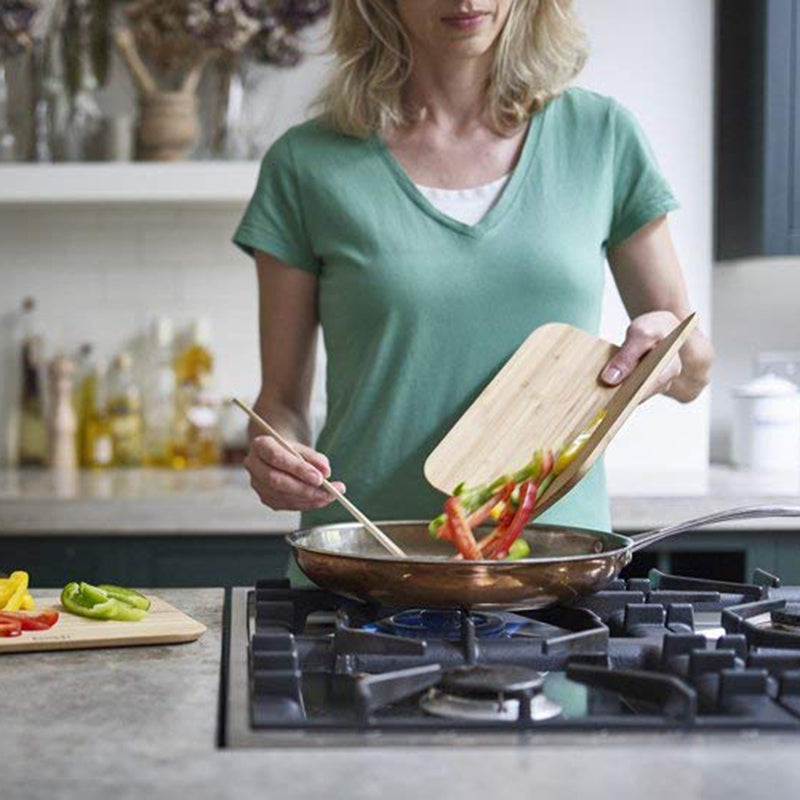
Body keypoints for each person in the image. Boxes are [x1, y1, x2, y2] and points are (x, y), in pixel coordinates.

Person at [234, 0, 714, 547]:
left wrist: (669, 351)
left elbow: (693, 367)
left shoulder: (602, 137)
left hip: (555, 557)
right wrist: (276, 455)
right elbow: (280, 404)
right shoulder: (304, 163)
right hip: (366, 555)